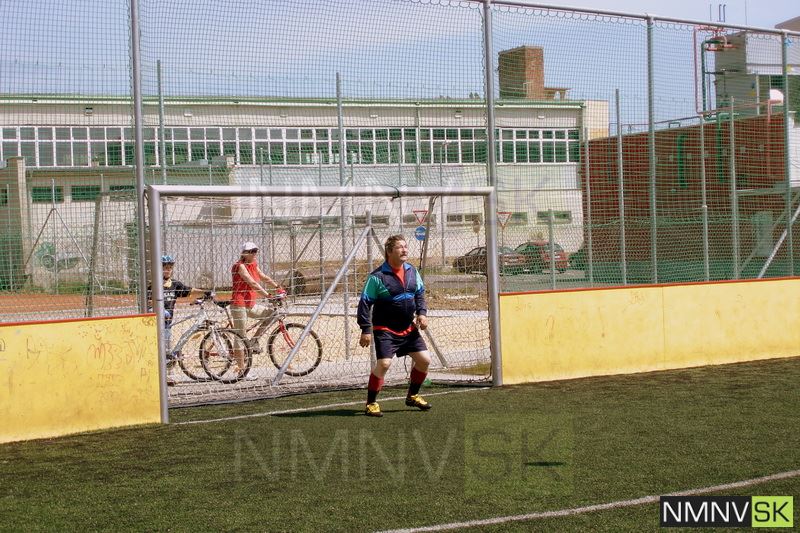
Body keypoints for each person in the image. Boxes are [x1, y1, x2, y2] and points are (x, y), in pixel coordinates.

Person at [357, 234, 432, 417]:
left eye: (405, 246)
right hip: (385, 329)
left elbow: (419, 294)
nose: (404, 250)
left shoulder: (412, 271)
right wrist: (365, 329)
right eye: (400, 247)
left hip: (407, 328)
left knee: (424, 360)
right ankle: (371, 403)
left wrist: (422, 313)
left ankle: (412, 396)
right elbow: (365, 303)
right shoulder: (377, 277)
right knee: (384, 363)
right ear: (389, 251)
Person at [149, 255, 209, 384]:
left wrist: (205, 292)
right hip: (155, 323)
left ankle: (164, 377)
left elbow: (189, 290)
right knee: (158, 350)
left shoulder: (175, 284)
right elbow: (147, 302)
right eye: (165, 268)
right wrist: (159, 311)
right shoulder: (153, 285)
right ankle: (159, 378)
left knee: (165, 351)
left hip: (167, 323)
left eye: (170, 268)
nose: (167, 270)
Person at [230, 241, 282, 372]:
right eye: (251, 251)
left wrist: (278, 287)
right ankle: (241, 370)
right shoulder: (240, 266)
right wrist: (268, 295)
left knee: (272, 314)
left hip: (250, 304)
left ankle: (253, 341)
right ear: (244, 253)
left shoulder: (253, 264)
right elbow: (252, 283)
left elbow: (263, 277)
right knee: (240, 336)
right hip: (239, 304)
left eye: (255, 251)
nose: (254, 254)